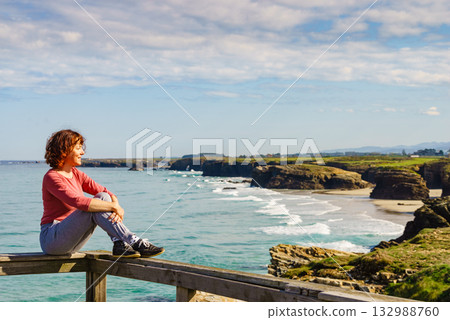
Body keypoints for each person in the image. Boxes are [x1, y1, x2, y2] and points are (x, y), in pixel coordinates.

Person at [39, 129, 164, 258]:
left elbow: (105, 192)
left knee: (103, 197)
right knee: (94, 205)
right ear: (64, 150)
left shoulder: (76, 174)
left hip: (73, 240)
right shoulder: (52, 177)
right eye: (78, 148)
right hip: (52, 240)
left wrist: (116, 205)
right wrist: (113, 207)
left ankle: (119, 243)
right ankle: (132, 240)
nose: (82, 152)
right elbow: (79, 202)